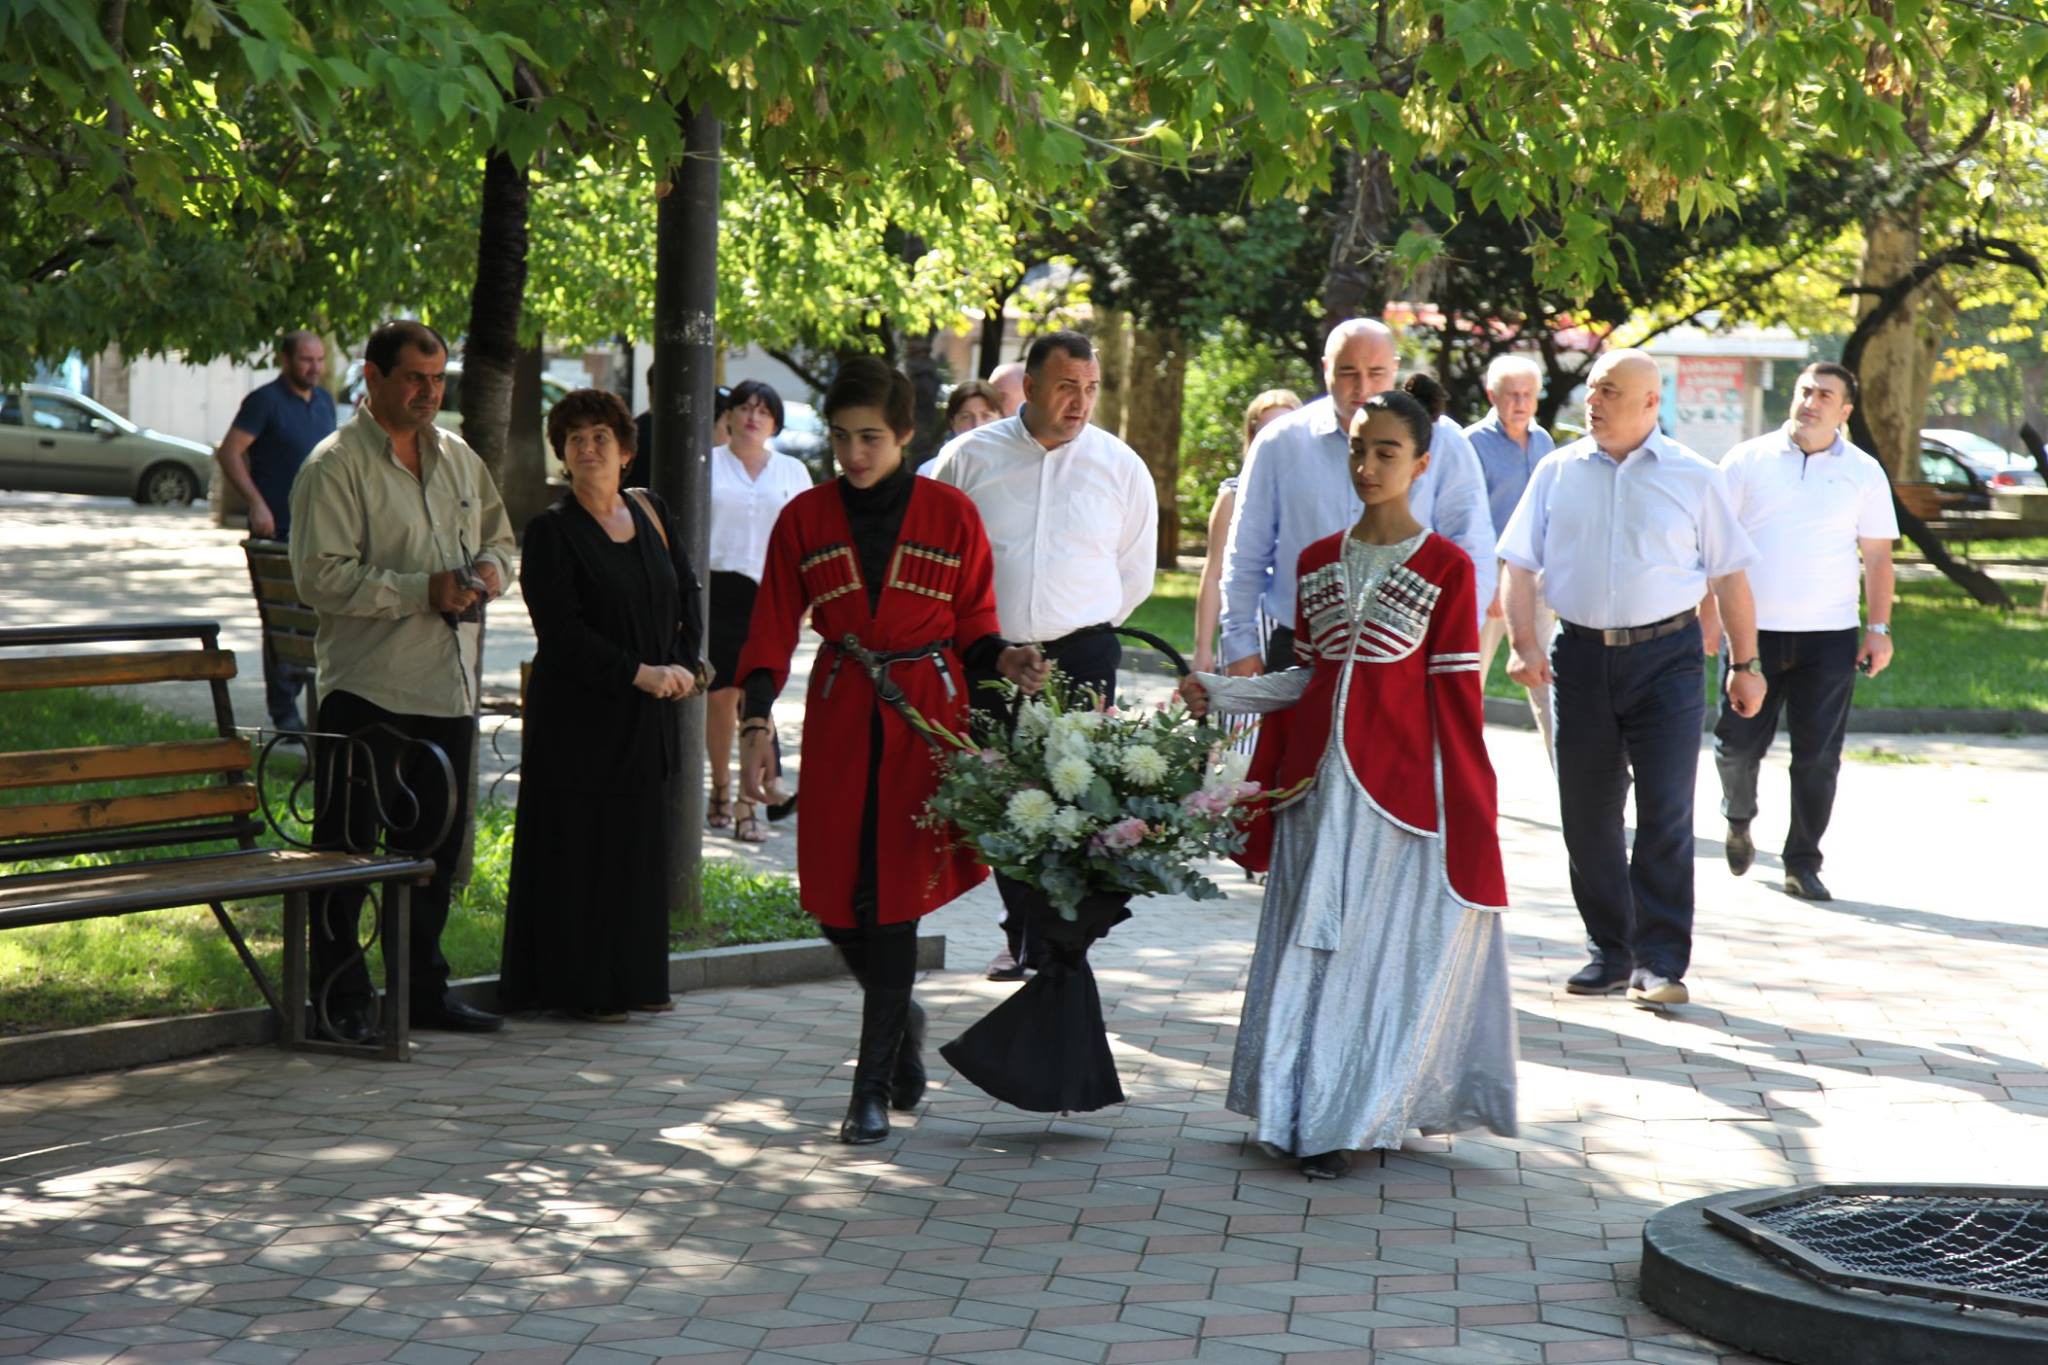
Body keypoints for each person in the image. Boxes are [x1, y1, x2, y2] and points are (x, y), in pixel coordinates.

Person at [1180, 390, 1514, 1180]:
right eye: (1358, 449)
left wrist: (1459, 810)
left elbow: (1455, 703)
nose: (1366, 465)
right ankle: (1292, 1107)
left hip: (1394, 802)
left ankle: (1347, 1118)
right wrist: (1223, 691)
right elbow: (1309, 680)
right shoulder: (1316, 559)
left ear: (1422, 463)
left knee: (1365, 954)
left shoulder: (1449, 569)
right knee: (1303, 939)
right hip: (1311, 791)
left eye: (1386, 452)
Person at [735, 357, 1048, 1144]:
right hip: (843, 714)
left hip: (924, 720)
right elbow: (771, 625)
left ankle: (869, 1089)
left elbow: (976, 622)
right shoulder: (804, 517)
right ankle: (900, 1015)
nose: (853, 454)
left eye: (870, 437)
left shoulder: (951, 514)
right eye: (840, 438)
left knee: (893, 903)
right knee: (836, 897)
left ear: (907, 434)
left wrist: (1004, 658)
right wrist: (755, 722)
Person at [1496, 348, 1765, 1008]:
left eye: (1610, 390)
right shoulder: (1557, 471)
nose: (1593, 400)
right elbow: (1518, 563)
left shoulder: (1695, 477)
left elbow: (1730, 576)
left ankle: (1660, 961)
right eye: (1591, 388)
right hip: (1580, 658)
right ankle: (1609, 952)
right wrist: (1523, 641)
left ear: (1650, 402)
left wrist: (1745, 662)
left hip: (1667, 658)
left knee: (1665, 812)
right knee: (1586, 814)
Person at [289, 320, 516, 1044]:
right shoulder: (334, 465)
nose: (429, 392)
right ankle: (337, 998)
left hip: (446, 686)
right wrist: (424, 590)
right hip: (367, 690)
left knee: (430, 859)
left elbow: (501, 540)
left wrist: (487, 573)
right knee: (348, 857)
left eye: (439, 378)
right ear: (373, 376)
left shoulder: (457, 456)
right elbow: (320, 579)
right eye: (415, 377)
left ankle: (421, 991)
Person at [924, 330, 1157, 982]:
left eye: (1090, 388)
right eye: (1065, 387)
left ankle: (1049, 941)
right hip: (988, 653)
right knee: (1001, 799)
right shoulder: (968, 458)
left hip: (1081, 653)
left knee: (1073, 799)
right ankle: (1025, 929)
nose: (1080, 402)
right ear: (1028, 387)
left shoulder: (1120, 466)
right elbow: (935, 552)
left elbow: (1133, 571)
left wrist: (1074, 626)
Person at [498, 389, 704, 1022]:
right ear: (562, 452)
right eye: (576, 438)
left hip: (646, 716)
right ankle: (580, 990)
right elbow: (562, 635)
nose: (588, 448)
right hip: (580, 721)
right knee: (582, 852)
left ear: (626, 452)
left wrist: (687, 667)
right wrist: (641, 672)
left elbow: (686, 594)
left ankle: (637, 980)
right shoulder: (551, 531)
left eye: (601, 438)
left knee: (635, 850)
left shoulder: (651, 512)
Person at [1707, 362, 1897, 902]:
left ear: (1845, 411)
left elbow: (1878, 557)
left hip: (1829, 636)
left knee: (1817, 757)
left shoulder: (1863, 472)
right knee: (1736, 748)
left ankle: (1802, 862)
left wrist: (1878, 628)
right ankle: (1739, 817)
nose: (1811, 401)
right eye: (1805, 391)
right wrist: (1706, 619)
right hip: (1753, 635)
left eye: (1825, 395)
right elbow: (1714, 546)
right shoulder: (1746, 461)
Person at [1219, 319, 1495, 682]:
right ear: (1325, 368)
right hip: (1302, 648)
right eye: (1348, 372)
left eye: (1376, 372)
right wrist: (1240, 643)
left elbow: (1473, 548)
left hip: (1407, 650)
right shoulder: (1280, 442)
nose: (1362, 387)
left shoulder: (1444, 442)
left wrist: (1452, 643)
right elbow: (1246, 550)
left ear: (1395, 369)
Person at [704, 379, 810, 842]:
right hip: (716, 590)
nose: (752, 416)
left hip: (773, 593)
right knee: (721, 695)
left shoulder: (792, 472)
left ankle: (750, 803)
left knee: (760, 696)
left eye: (763, 411)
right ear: (727, 416)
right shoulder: (706, 465)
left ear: (775, 423)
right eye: (744, 407)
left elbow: (808, 539)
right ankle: (721, 787)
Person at [216, 330, 337, 730]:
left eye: (319, 360)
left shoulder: (324, 403)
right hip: (276, 531)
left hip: (319, 532)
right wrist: (256, 503)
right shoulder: (264, 401)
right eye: (306, 360)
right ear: (285, 360)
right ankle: (284, 712)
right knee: (282, 618)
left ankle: (314, 706)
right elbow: (229, 452)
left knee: (316, 616)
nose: (314, 368)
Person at [1465, 355, 1558, 751]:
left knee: (1548, 679)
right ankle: (1455, 786)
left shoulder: (1543, 442)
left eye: (1527, 395)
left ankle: (1571, 786)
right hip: (1489, 574)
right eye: (1512, 395)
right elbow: (1470, 518)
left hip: (1537, 575)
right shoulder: (1471, 443)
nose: (1520, 403)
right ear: (1492, 395)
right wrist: (1488, 581)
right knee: (1470, 682)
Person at [1193, 388, 1303, 676]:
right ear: (1253, 437)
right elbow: (1214, 572)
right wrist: (1203, 648)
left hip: (1292, 628)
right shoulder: (1233, 494)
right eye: (1268, 431)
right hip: (1245, 625)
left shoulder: (1309, 495)